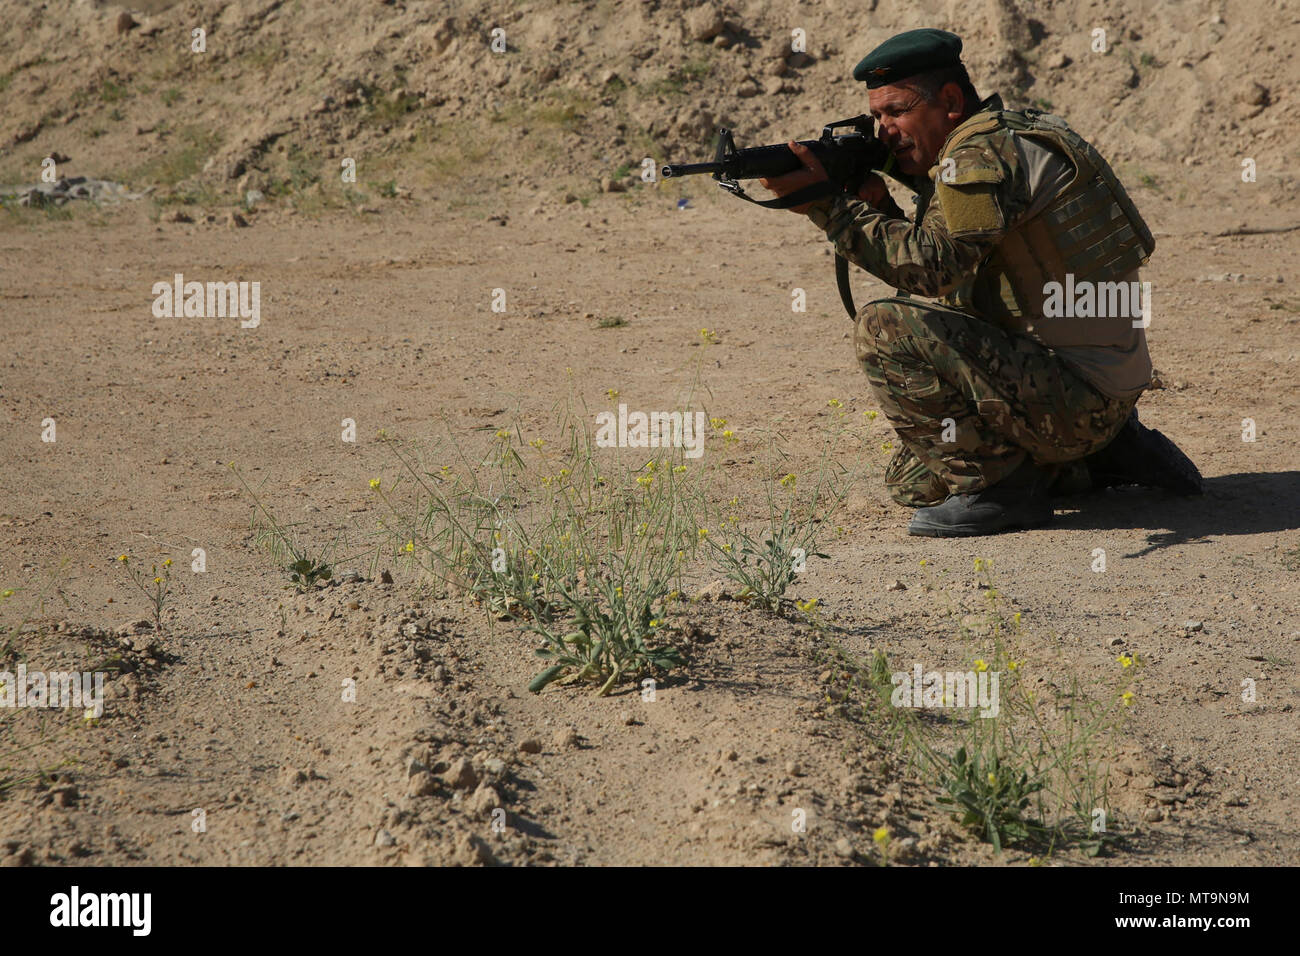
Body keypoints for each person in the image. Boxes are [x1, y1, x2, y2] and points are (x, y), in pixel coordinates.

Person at [759, 28, 1200, 537]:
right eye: (878, 117)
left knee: (884, 326)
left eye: (897, 111)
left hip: (1078, 392)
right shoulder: (1009, 135)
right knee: (913, 481)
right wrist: (878, 208)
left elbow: (934, 270)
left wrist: (828, 206)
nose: (885, 132)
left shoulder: (975, 157)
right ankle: (1104, 456)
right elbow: (964, 271)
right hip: (1101, 387)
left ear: (949, 101)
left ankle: (1007, 494)